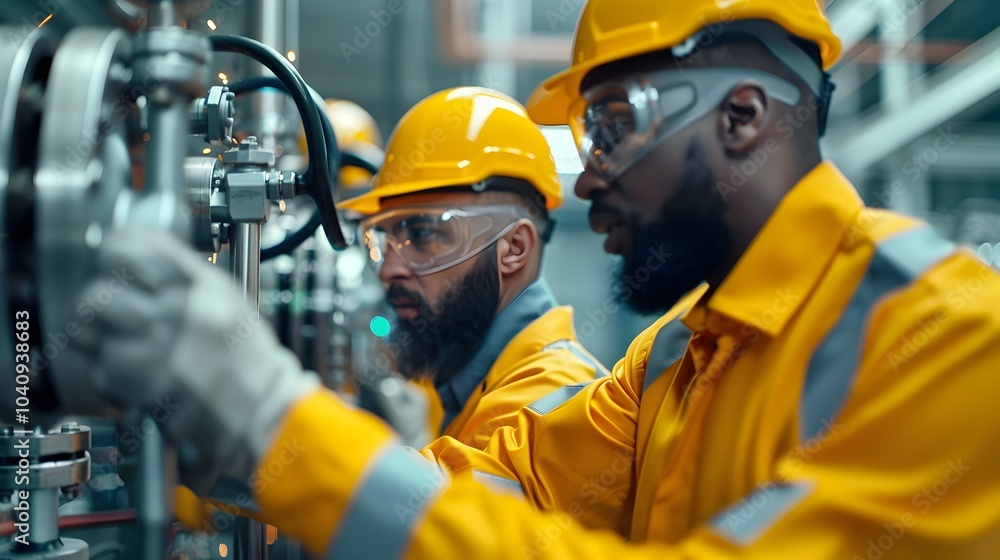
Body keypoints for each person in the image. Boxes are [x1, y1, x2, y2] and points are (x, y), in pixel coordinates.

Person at [72, 0, 1000, 558]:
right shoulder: (671, 360)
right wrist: (236, 436)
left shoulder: (948, 337)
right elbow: (484, 490)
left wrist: (272, 414)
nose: (586, 179)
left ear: (744, 117)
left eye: (611, 126)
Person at [338, 87, 608, 448]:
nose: (389, 270)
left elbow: (456, 486)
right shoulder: (452, 377)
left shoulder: (556, 403)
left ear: (514, 248)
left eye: (422, 233)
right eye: (383, 237)